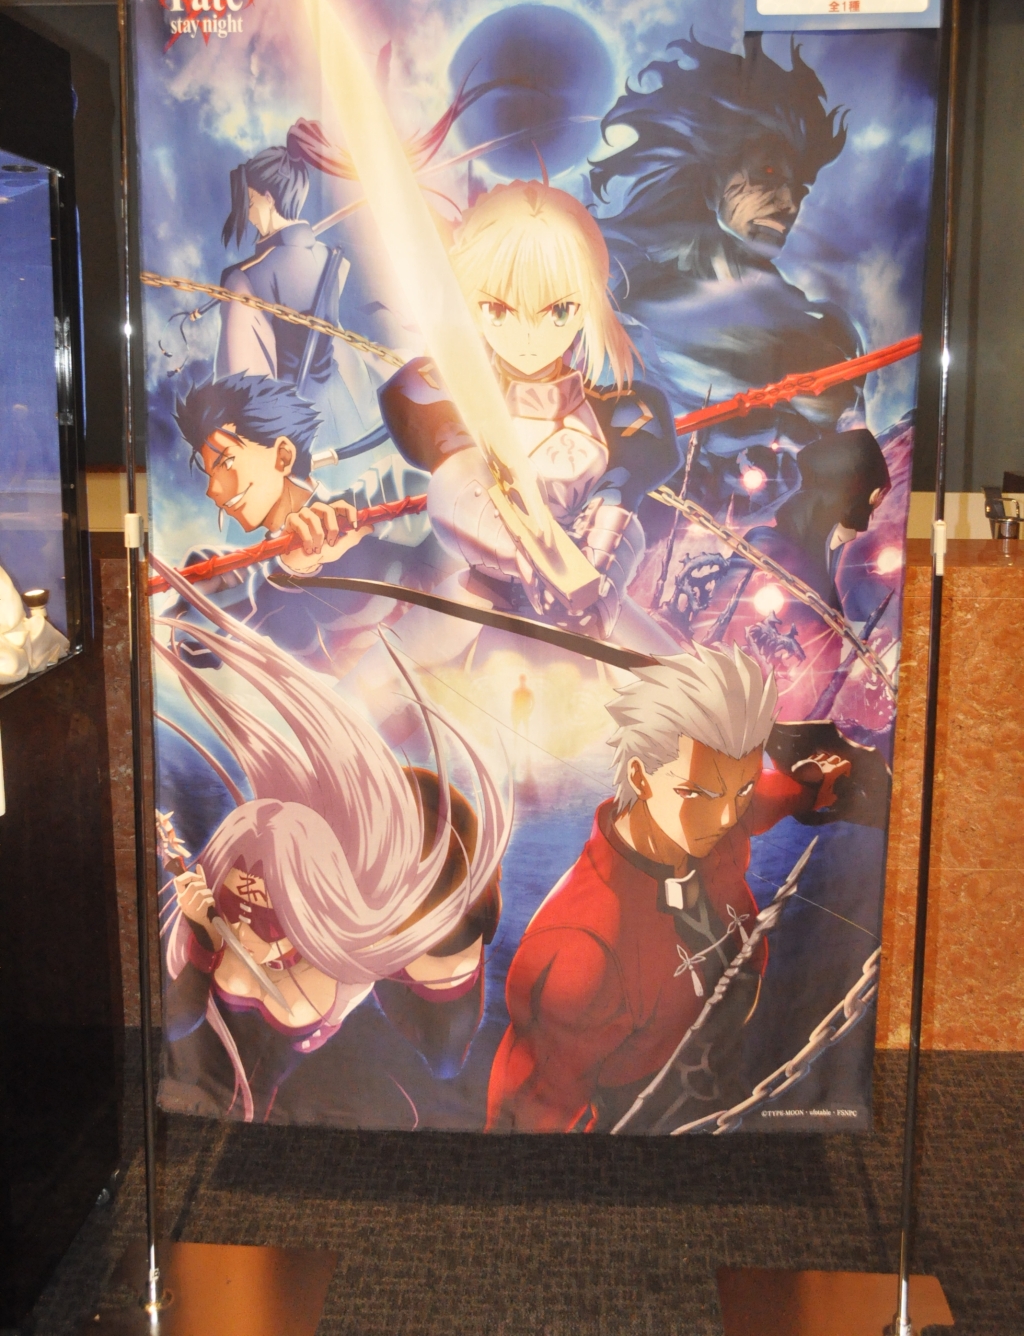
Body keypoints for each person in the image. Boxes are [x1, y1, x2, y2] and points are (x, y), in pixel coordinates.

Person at [156, 558, 510, 1123]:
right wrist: (201, 944)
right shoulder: (235, 879)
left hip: (385, 932)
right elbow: (175, 1025)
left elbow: (445, 1059)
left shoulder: (396, 908)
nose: (258, 922)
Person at [485, 645, 853, 1134]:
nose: (725, 816)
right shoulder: (583, 949)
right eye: (697, 793)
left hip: (735, 1056)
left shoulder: (715, 809)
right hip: (651, 1116)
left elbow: (754, 799)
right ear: (639, 774)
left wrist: (810, 785)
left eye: (740, 790)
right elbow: (530, 1116)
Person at [380, 180, 681, 652]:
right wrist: (528, 550)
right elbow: (451, 469)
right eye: (498, 309)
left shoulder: (625, 410)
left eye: (558, 310)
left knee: (687, 677)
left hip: (591, 609)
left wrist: (591, 570)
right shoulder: (441, 390)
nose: (527, 334)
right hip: (481, 597)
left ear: (586, 306)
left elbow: (626, 485)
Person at [590, 35, 862, 520]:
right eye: (768, 172)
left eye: (799, 188)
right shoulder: (616, 279)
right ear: (712, 174)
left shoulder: (816, 326)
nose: (789, 204)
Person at [168, 372, 431, 669]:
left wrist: (367, 526)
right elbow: (186, 644)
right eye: (210, 474)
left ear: (283, 456)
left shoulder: (383, 490)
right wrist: (285, 571)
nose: (213, 491)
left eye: (226, 462)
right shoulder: (224, 573)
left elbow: (451, 511)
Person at [216, 118, 385, 461]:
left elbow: (244, 386)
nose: (249, 216)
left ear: (268, 198)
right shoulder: (332, 258)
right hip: (343, 418)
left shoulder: (244, 278)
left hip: (291, 435)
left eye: (250, 202)